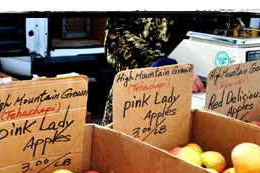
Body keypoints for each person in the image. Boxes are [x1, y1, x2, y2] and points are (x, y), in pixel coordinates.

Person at [102, 17, 246, 125]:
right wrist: (164, 69)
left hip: (213, 105)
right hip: (147, 103)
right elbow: (116, 36)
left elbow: (237, 31)